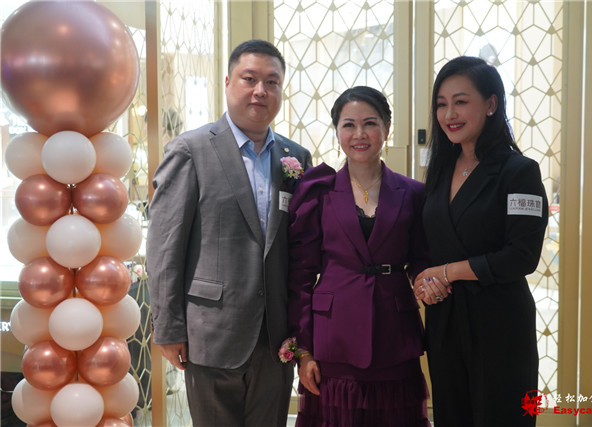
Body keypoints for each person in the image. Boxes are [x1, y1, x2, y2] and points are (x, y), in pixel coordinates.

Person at [146, 39, 312, 427]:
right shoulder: (190, 150)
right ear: (227, 82)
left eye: (272, 82)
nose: (260, 90)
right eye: (249, 79)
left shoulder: (295, 158)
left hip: (275, 338)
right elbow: (165, 247)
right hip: (211, 334)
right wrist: (168, 327)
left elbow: (300, 247)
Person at [414, 56, 549, 426]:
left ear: (491, 104)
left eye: (461, 101)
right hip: (445, 322)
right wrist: (425, 282)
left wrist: (447, 272)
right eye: (441, 104)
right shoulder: (441, 169)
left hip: (499, 325)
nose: (449, 114)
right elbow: (430, 244)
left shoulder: (519, 171)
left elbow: (522, 256)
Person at [287, 86, 430, 426]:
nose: (359, 134)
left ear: (387, 128)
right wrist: (302, 351)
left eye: (370, 123)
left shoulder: (413, 193)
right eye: (348, 125)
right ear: (337, 131)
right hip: (332, 337)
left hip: (394, 332)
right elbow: (301, 275)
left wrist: (427, 279)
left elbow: (422, 258)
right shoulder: (318, 192)